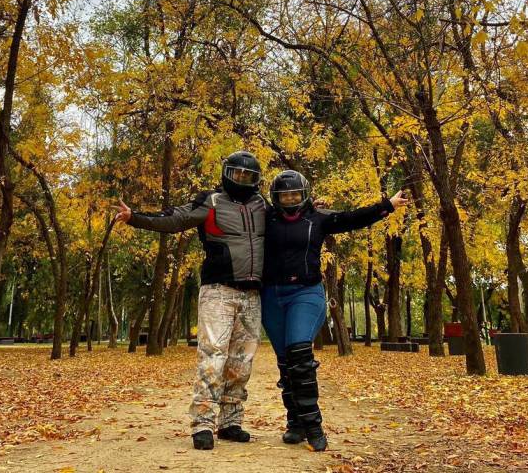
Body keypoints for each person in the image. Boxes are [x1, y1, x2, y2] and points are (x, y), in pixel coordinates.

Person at [113, 151, 266, 451]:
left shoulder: (262, 206)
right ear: (226, 174)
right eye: (237, 175)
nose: (243, 180)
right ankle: (203, 424)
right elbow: (175, 219)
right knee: (212, 358)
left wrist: (310, 211)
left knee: (241, 363)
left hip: (252, 295)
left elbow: (291, 222)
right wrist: (135, 218)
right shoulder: (210, 202)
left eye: (249, 176)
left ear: (257, 180)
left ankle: (231, 422)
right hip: (218, 292)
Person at [262, 169, 408, 451]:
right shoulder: (265, 219)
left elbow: (351, 219)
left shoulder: (317, 219)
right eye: (284, 195)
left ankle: (314, 425)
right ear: (275, 198)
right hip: (271, 297)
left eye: (295, 194)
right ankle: (295, 423)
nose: (290, 199)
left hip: (305, 293)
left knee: (299, 354)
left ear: (304, 195)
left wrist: (386, 207)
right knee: (284, 362)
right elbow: (238, 214)